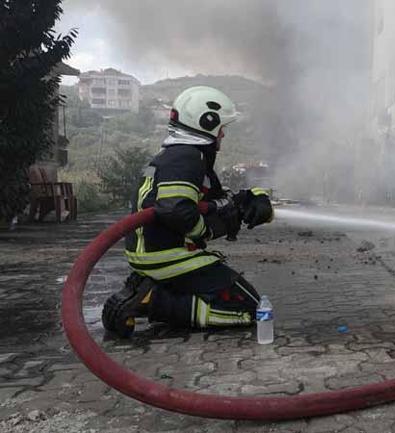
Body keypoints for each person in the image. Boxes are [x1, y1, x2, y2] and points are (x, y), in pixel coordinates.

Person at [102, 86, 274, 337]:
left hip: (150, 255)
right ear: (207, 122)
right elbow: (176, 209)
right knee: (249, 309)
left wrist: (249, 200)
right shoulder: (186, 157)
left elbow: (215, 201)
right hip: (168, 256)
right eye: (221, 127)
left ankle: (146, 288)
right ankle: (153, 301)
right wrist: (206, 230)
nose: (223, 134)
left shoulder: (177, 156)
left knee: (237, 297)